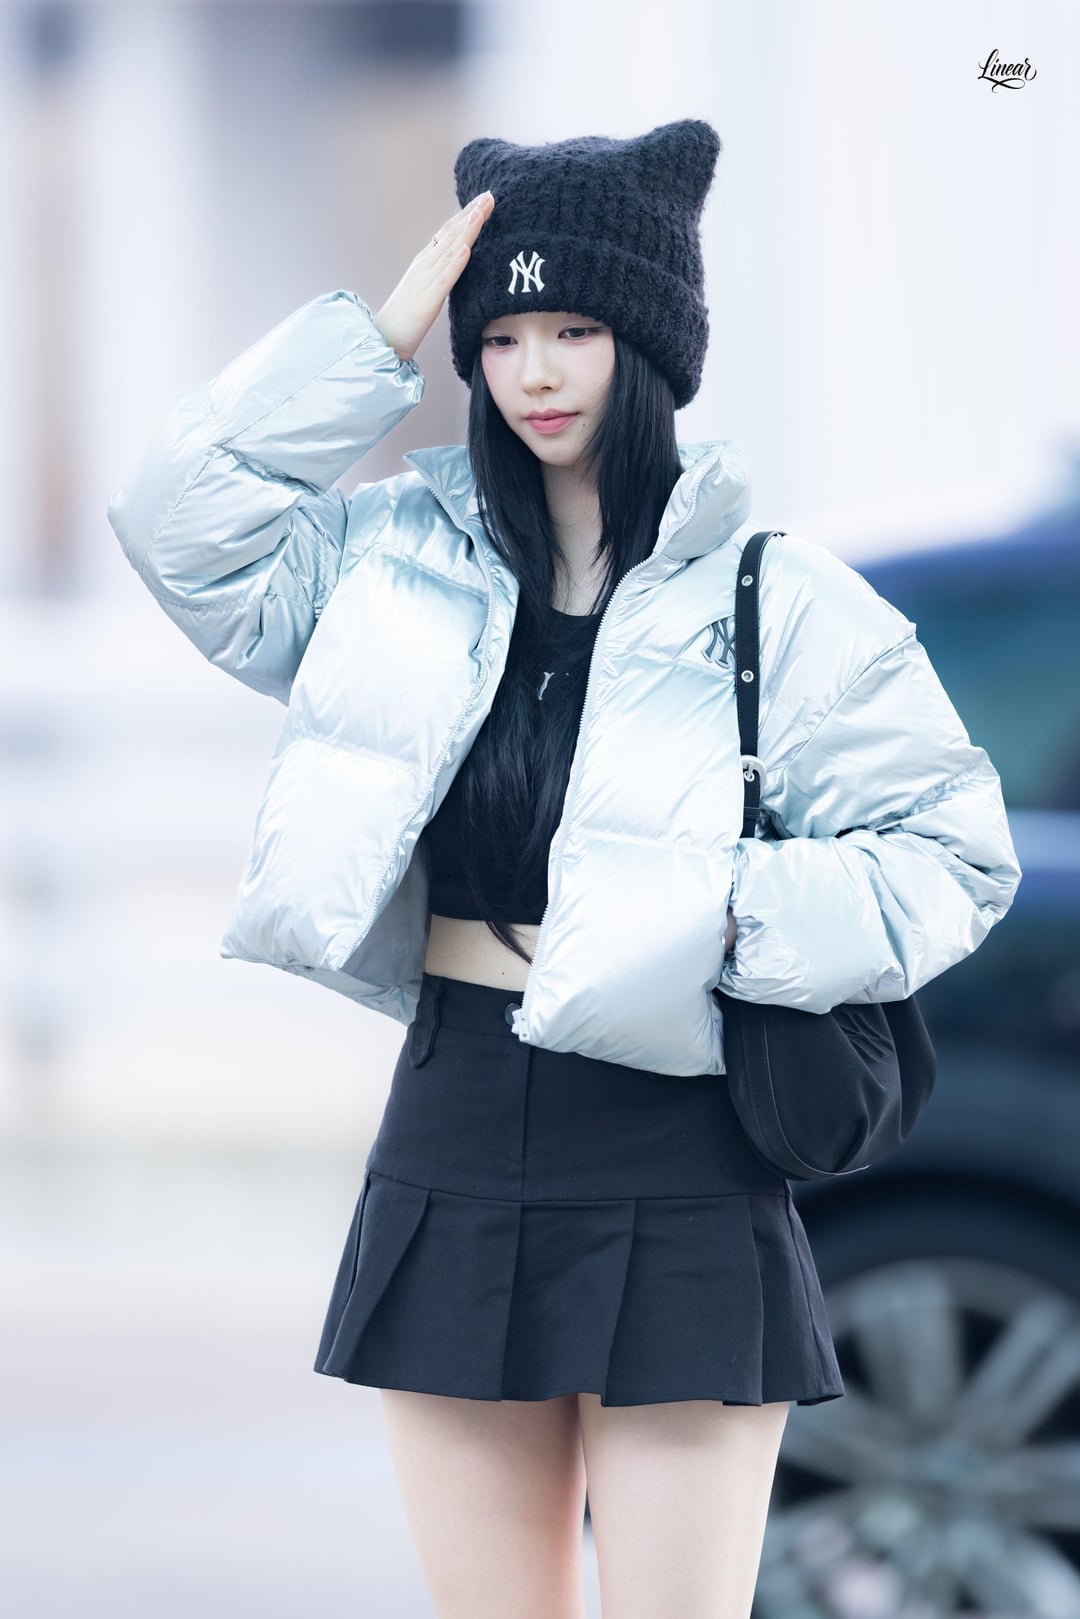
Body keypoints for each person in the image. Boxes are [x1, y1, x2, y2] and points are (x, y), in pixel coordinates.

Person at [107, 120, 1022, 1619]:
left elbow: (953, 859)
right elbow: (177, 526)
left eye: (576, 331)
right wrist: (380, 334)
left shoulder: (779, 599)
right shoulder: (392, 563)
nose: (534, 372)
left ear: (648, 344)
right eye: (503, 337)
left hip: (682, 1140)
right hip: (454, 1122)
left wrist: (704, 916)